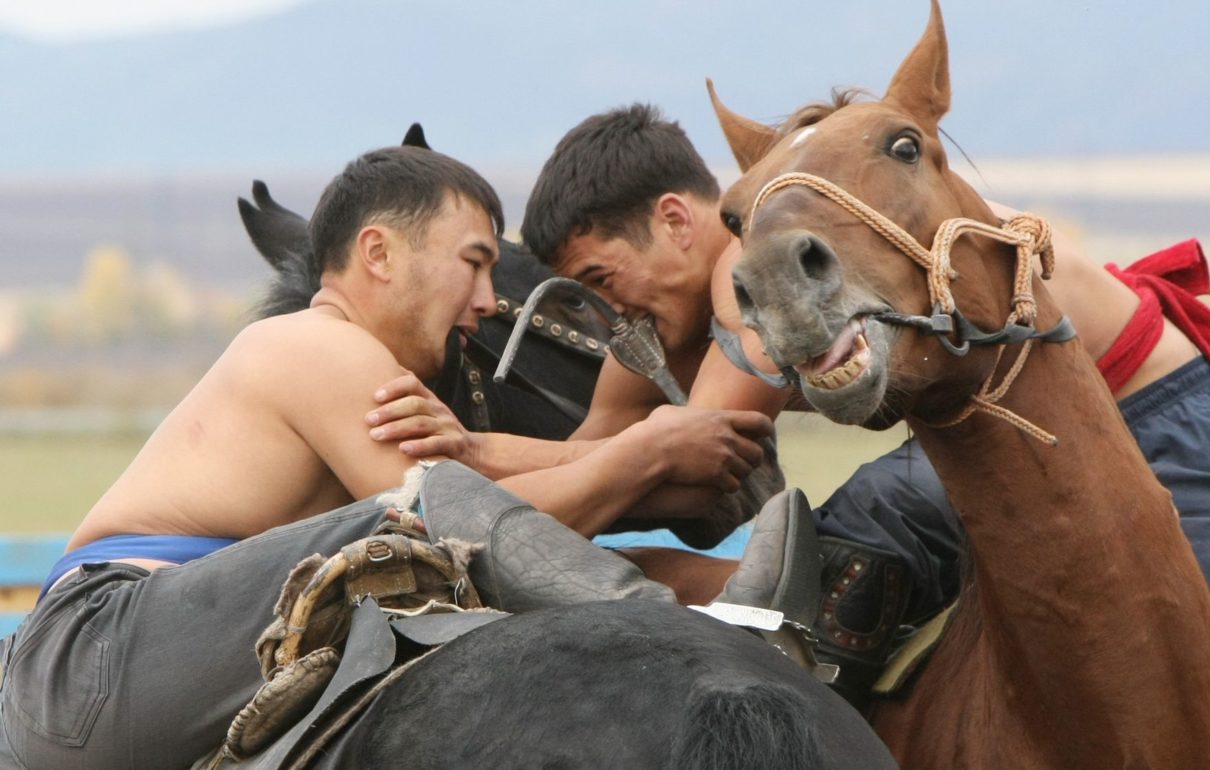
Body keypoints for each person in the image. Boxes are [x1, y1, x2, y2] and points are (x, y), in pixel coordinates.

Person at [510, 102, 1210, 758]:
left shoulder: (756, 273)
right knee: (853, 540)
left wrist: (472, 469)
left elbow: (692, 445)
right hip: (998, 436)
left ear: (679, 221)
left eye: (601, 281)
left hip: (1163, 423)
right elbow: (603, 447)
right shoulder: (670, 311)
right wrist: (461, 467)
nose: (607, 311)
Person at [0, 144, 796, 770]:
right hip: (92, 653)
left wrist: (650, 493)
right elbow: (457, 536)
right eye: (474, 263)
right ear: (378, 254)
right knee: (404, 533)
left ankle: (725, 610)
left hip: (159, 660)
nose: (488, 303)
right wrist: (645, 453)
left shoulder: (356, 375)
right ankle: (676, 630)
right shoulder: (316, 346)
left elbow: (513, 509)